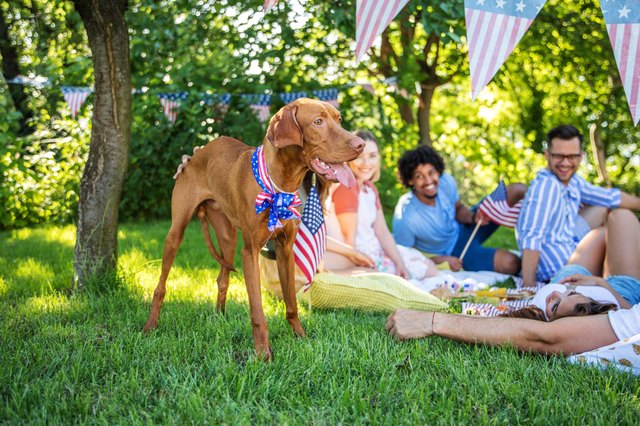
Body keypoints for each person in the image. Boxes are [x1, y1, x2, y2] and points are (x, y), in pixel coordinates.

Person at [517, 125, 640, 287]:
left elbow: (610, 197)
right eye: (559, 156)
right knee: (610, 231)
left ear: (581, 156)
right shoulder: (546, 186)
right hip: (558, 271)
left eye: (572, 156)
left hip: (569, 244)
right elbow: (531, 236)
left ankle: (619, 264)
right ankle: (622, 283)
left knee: (603, 208)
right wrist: (529, 285)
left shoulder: (573, 182)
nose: (565, 163)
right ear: (547, 155)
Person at [325, 130, 439, 281]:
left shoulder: (369, 188)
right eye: (359, 157)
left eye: (372, 156)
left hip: (376, 248)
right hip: (360, 254)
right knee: (425, 272)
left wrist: (399, 263)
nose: (366, 163)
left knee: (427, 266)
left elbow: (383, 232)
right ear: (349, 158)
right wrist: (359, 267)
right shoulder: (347, 187)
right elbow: (348, 239)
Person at [392, 146, 525, 274]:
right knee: (512, 263)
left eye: (431, 172)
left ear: (438, 171)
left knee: (517, 189)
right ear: (410, 180)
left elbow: (458, 209)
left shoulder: (446, 181)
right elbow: (405, 257)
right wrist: (442, 260)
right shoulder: (406, 216)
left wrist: (473, 217)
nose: (428, 181)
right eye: (419, 176)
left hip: (466, 226)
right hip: (456, 250)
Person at [505, 208, 639, 321]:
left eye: (570, 294)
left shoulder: (541, 312)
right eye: (555, 307)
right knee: (621, 215)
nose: (557, 293)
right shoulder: (607, 320)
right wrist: (601, 283)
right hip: (619, 290)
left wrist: (572, 291)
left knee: (601, 232)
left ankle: (605, 263)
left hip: (567, 279)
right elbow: (631, 316)